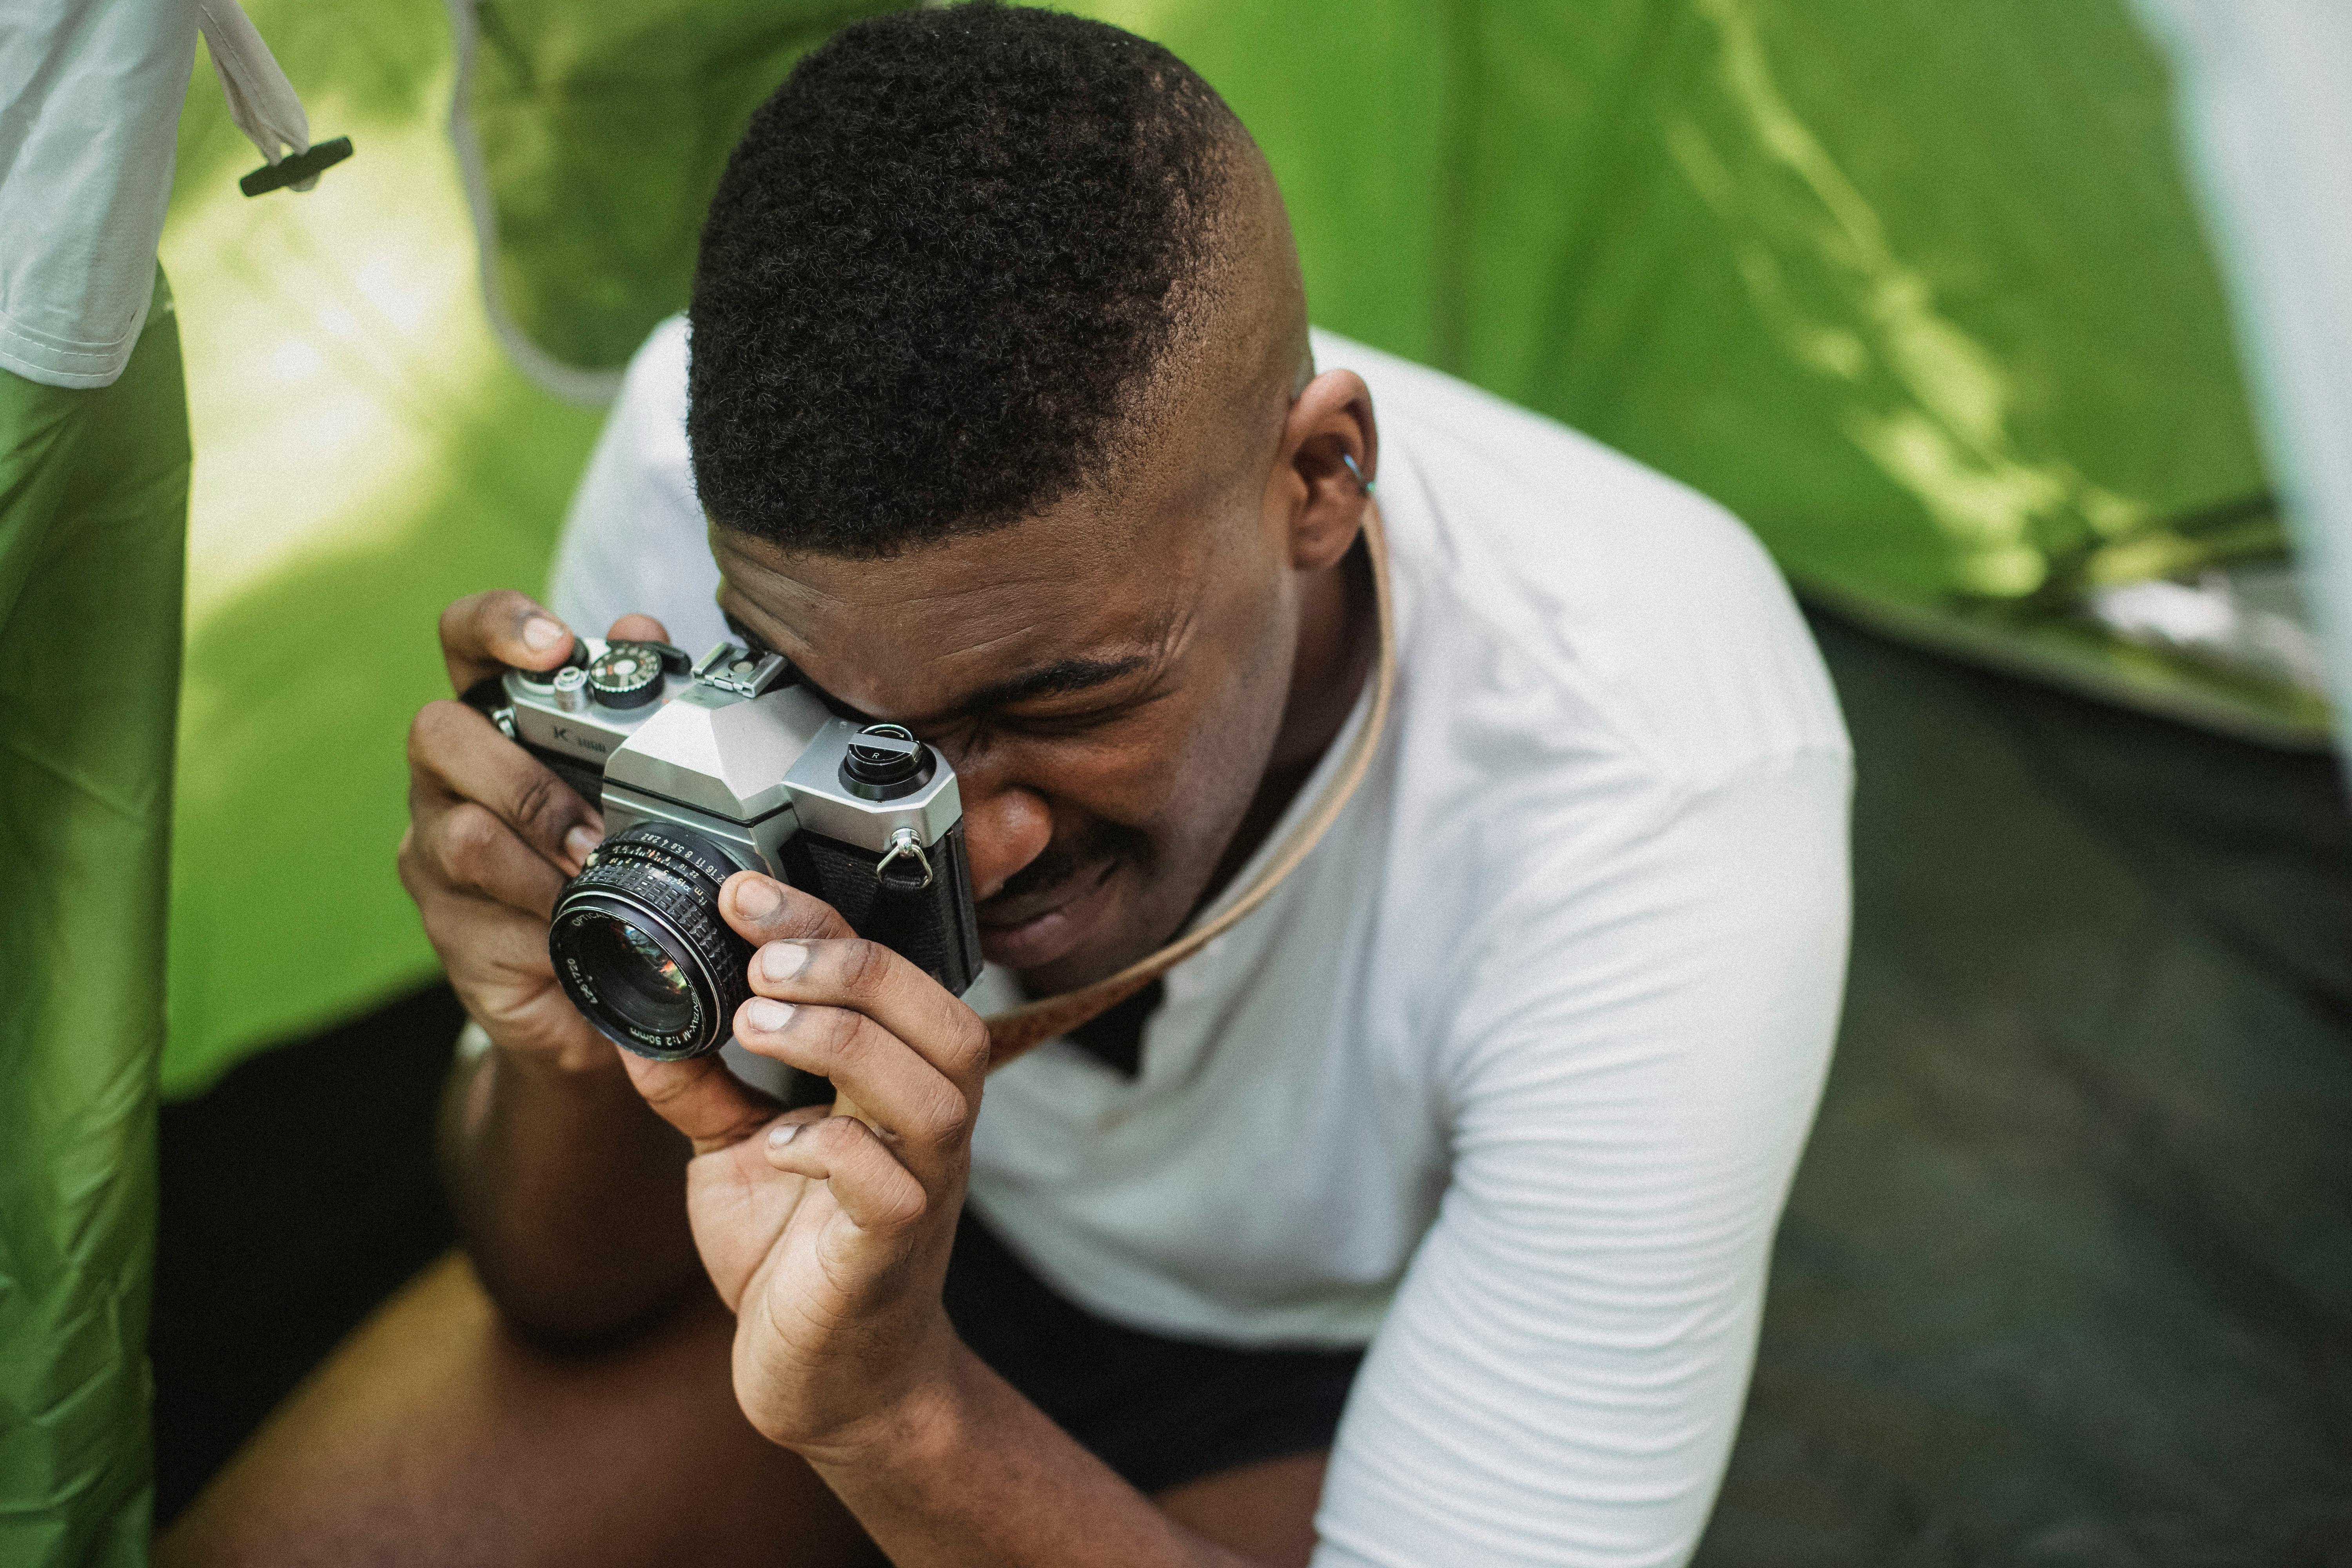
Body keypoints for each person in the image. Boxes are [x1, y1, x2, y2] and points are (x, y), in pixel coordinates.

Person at [162, 7, 1851, 1564]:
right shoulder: (707, 492)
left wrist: (899, 1418)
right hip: (816, 1215)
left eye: (1063, 698)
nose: (972, 828)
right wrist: (581, 1039)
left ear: (1320, 480)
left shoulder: (1664, 785)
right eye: (835, 707)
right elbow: (564, 1282)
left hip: (1303, 1366)